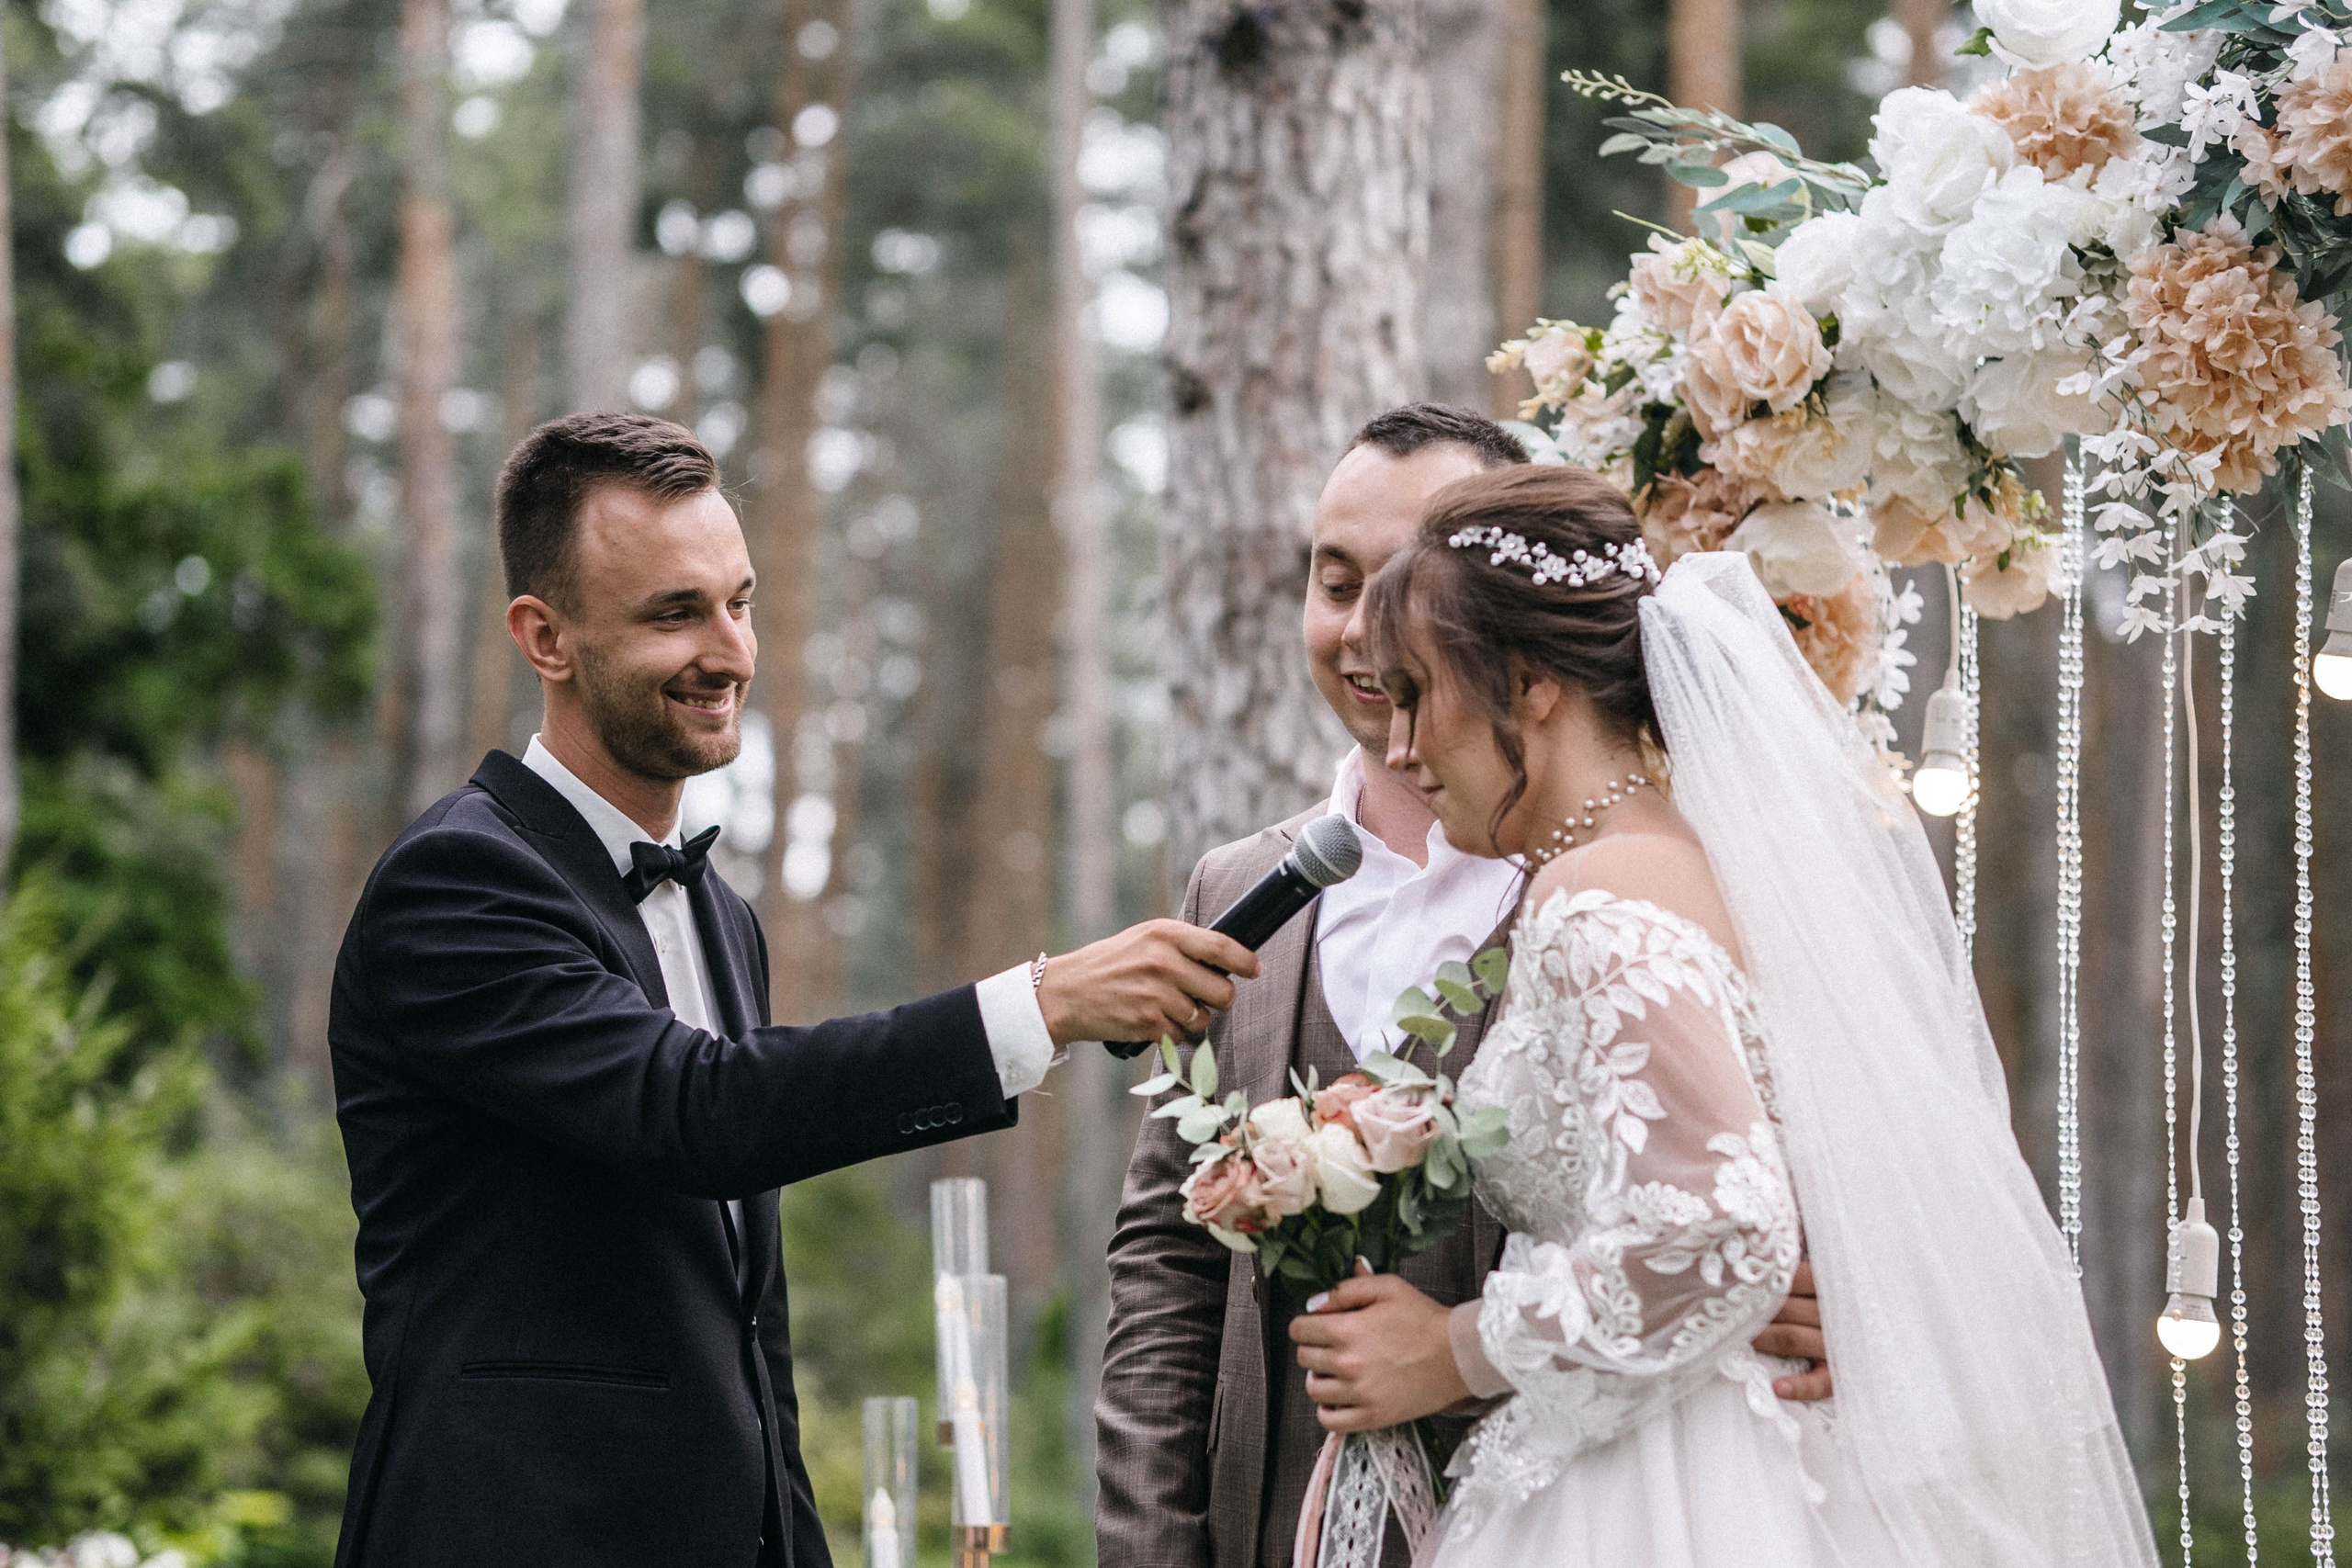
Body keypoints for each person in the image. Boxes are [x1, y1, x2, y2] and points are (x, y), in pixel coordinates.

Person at [325, 412, 1256, 1568]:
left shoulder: (723, 919)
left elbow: (749, 1337)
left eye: (741, 602)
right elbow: (698, 1111)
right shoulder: (456, 881)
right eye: (675, 613)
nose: (731, 652)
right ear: (545, 637)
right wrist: (1040, 1003)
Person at [1290, 464, 2156, 1565]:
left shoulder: (1593, 895)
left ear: (1528, 681)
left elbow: (1723, 1228)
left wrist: (1454, 1349)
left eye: (1418, 694)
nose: (1402, 746)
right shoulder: (1700, 860)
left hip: (1671, 1486)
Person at [1094, 406, 1831, 1568]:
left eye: (1404, 594)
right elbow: (1168, 1260)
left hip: (1604, 1507)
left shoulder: (1618, 883)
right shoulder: (1233, 892)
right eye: (1336, 584)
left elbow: (1768, 1198)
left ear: (1512, 649)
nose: (1363, 633)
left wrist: (1854, 1303)